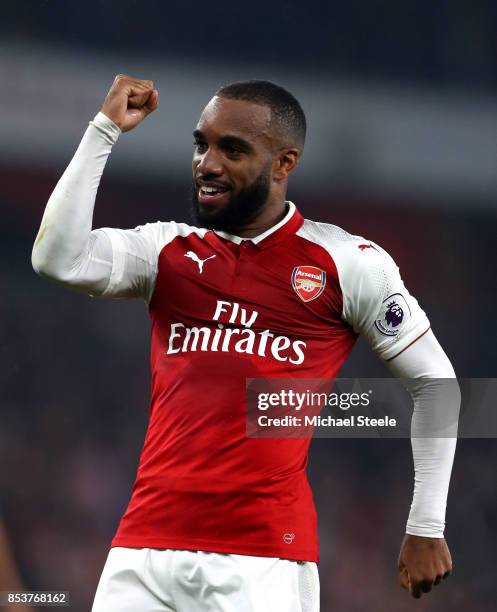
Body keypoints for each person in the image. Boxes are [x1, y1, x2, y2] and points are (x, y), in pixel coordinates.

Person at [31, 75, 459, 611]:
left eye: (232, 149)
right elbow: (57, 258)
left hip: (262, 560)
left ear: (284, 164)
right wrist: (103, 131)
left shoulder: (348, 263)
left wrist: (426, 524)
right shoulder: (168, 251)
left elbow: (436, 385)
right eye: (201, 144)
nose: (207, 164)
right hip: (142, 550)